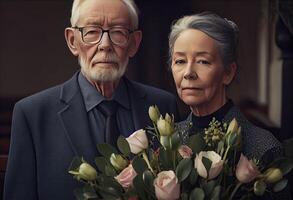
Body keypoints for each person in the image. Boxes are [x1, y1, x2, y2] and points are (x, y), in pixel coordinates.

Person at [3, 0, 179, 199]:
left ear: (134, 43)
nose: (105, 45)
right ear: (72, 41)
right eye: (92, 32)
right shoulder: (33, 115)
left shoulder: (162, 105)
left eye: (118, 31)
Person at [169, 12, 291, 199]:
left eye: (203, 61)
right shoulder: (167, 143)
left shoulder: (263, 146)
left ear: (228, 72)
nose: (188, 73)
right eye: (180, 61)